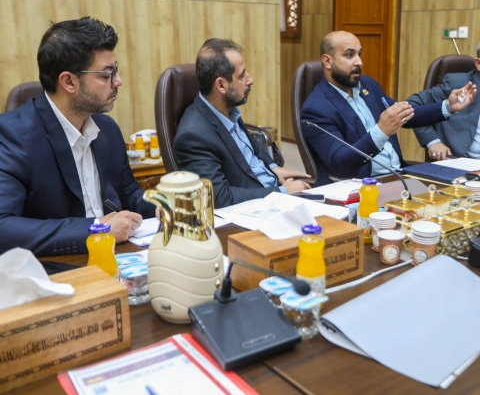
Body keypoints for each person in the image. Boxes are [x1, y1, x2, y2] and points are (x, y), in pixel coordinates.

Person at [0, 17, 156, 256]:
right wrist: (98, 228)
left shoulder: (107, 129)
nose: (118, 81)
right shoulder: (12, 135)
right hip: (57, 267)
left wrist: (163, 206)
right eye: (106, 75)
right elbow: (4, 227)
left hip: (120, 257)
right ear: (69, 82)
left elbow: (127, 194)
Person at [300, 31, 476, 185]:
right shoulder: (315, 109)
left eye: (359, 54)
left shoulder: (367, 85)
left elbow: (406, 115)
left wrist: (448, 106)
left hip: (398, 176)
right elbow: (339, 162)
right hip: (360, 186)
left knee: (462, 188)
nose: (359, 62)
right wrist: (381, 131)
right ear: (327, 61)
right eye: (349, 55)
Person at [173, 38, 311, 208]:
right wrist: (282, 192)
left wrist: (273, 167)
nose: (250, 80)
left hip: (273, 189)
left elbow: (250, 148)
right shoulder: (193, 136)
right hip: (257, 208)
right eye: (242, 75)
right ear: (221, 85)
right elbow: (219, 198)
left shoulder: (227, 110)